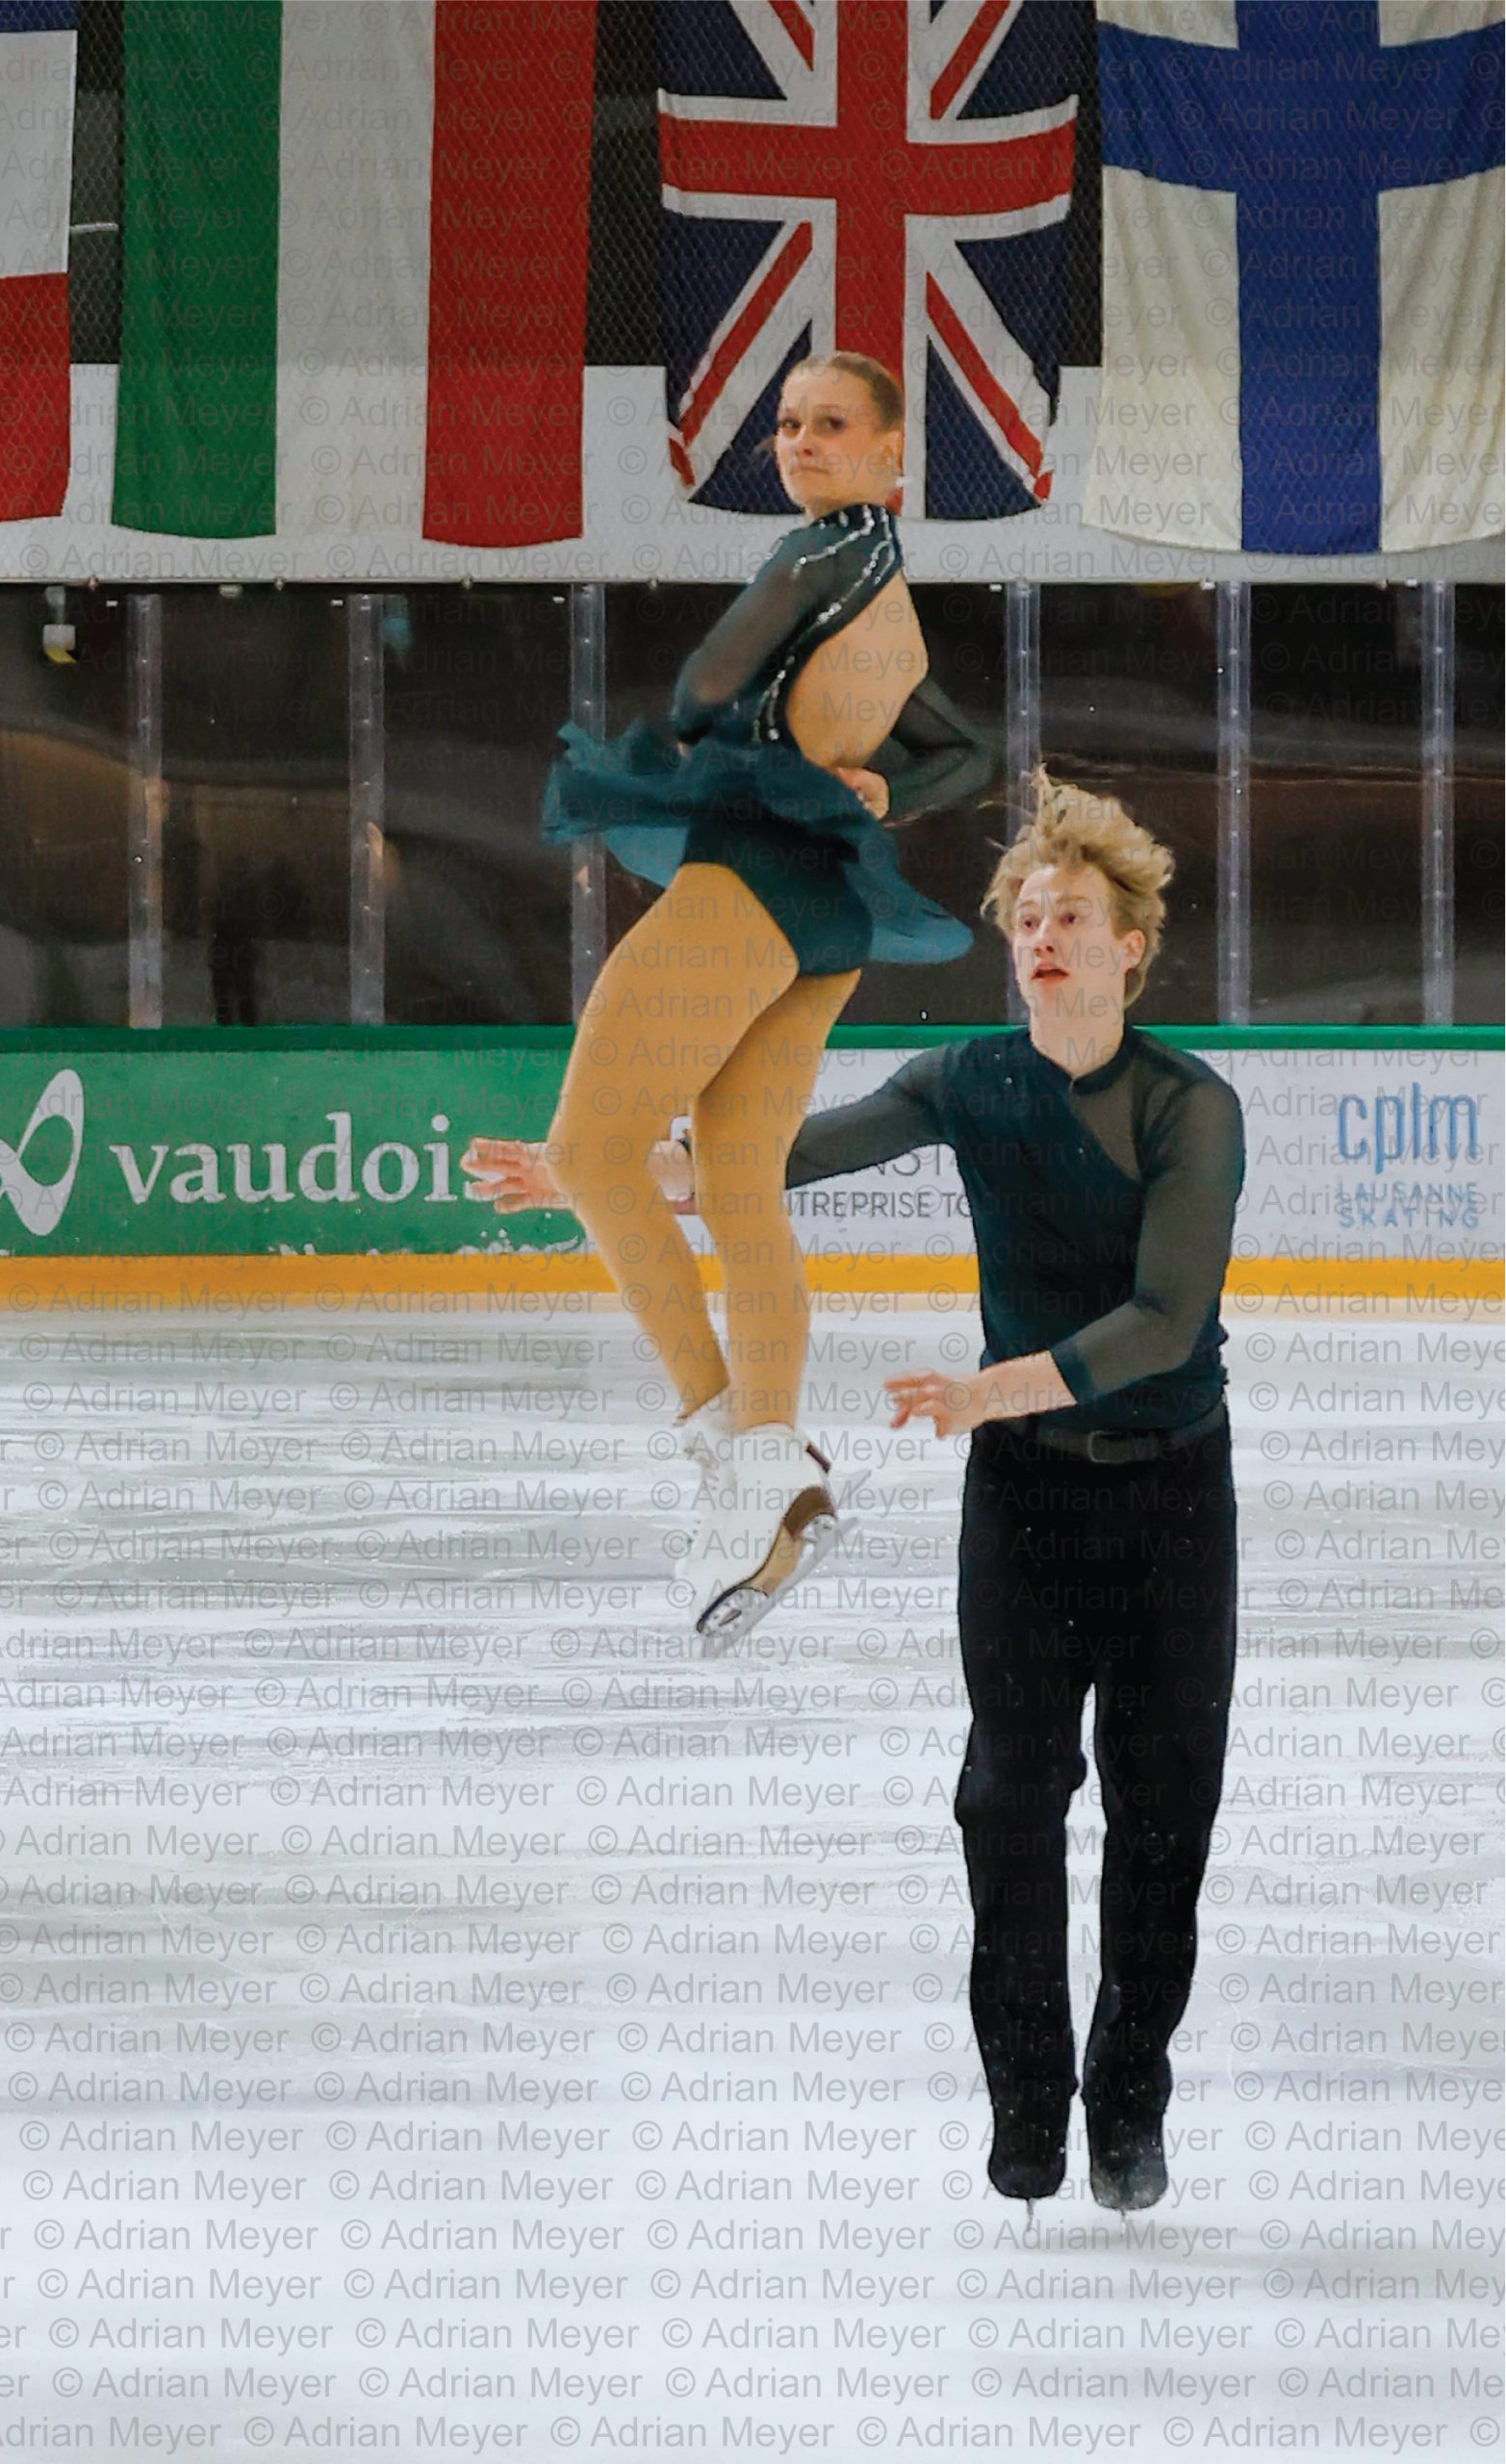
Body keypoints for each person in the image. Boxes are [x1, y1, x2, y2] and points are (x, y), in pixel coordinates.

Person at [467, 771, 1244, 2214]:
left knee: (1164, 1815)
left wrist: (984, 1389)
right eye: (1025, 917)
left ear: (1133, 943)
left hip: (1174, 1505)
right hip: (1023, 1503)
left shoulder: (1190, 1108)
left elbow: (1167, 1320)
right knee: (1008, 1802)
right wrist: (598, 1173)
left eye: (1072, 916)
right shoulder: (965, 1080)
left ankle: (1128, 2105)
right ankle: (1027, 2103)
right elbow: (771, 1162)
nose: (1043, 936)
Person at [466, 352, 998, 1647]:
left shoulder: (829, 554)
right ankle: (775, 1465)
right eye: (790, 424)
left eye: (831, 425)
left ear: (890, 457)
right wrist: (884, 786)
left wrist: (734, 730)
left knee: (592, 1150)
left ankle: (729, 1441)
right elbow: (964, 750)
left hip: (756, 872)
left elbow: (706, 685)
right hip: (824, 908)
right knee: (740, 1181)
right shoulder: (893, 600)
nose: (801, 443)